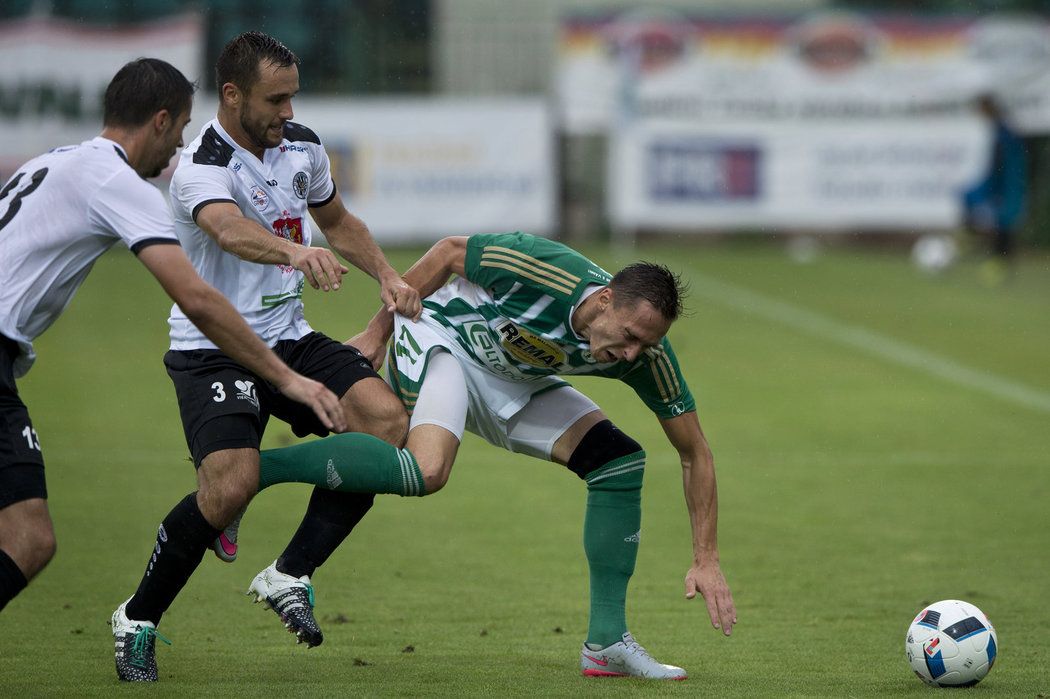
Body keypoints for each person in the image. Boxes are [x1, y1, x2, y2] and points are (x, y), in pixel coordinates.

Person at [252, 232, 736, 679]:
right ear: (605, 299)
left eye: (645, 344)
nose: (632, 354)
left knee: (618, 462)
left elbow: (695, 452)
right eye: (629, 336)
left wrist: (706, 558)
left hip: (509, 378)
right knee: (428, 469)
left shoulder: (645, 357)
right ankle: (255, 470)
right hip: (439, 333)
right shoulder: (545, 271)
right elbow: (446, 253)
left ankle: (606, 644)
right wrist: (377, 333)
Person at [112, 33, 420, 682]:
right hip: (214, 348)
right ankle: (137, 619)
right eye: (274, 99)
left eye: (293, 97)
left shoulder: (301, 145)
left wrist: (387, 276)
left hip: (289, 335)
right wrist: (293, 253)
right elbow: (225, 228)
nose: (287, 111)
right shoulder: (200, 162)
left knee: (386, 425)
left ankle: (290, 572)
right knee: (229, 487)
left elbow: (338, 223)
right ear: (232, 96)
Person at [0, 59, 347, 617]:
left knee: (28, 536)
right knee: (26, 540)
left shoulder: (55, 162)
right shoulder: (121, 183)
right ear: (161, 121)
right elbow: (199, 299)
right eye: (182, 128)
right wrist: (289, 381)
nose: (182, 144)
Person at [962, 93, 1027, 285]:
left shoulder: (1004, 133)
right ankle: (980, 246)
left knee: (1005, 220)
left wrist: (995, 188)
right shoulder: (1001, 129)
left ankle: (999, 262)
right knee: (970, 199)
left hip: (1006, 183)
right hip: (1003, 181)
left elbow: (1000, 162)